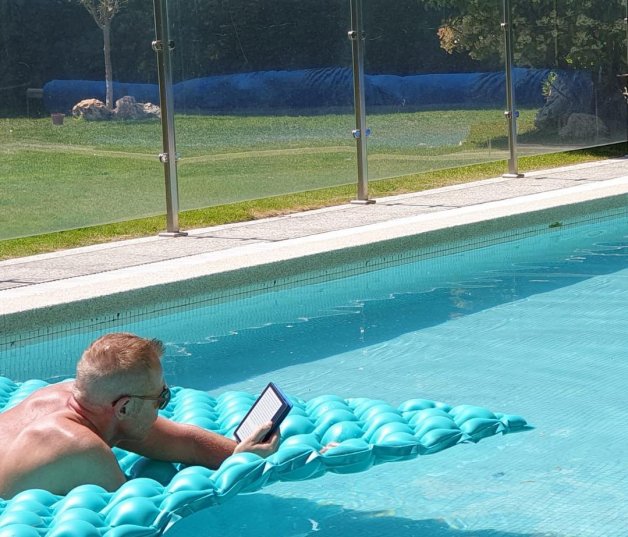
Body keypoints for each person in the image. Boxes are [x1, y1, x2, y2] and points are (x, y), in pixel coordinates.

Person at [0, 333, 279, 499]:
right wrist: (239, 472)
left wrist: (242, 453)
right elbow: (141, 515)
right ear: (124, 407)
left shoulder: (83, 398)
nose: (163, 405)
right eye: (160, 397)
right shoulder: (81, 448)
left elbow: (187, 442)